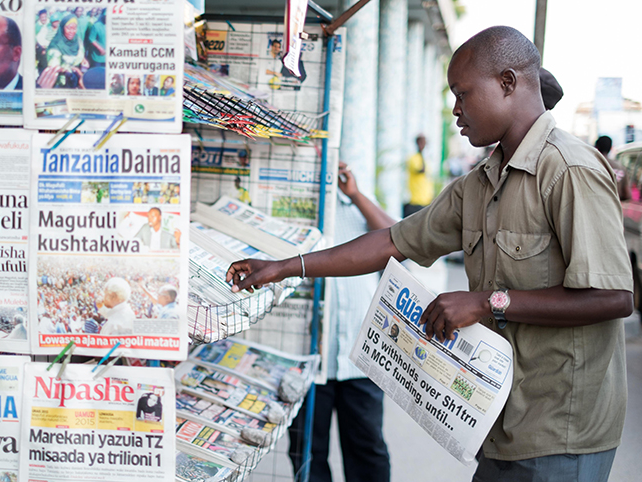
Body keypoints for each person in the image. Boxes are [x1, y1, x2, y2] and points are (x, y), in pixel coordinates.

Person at [227, 26, 632, 482]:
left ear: (507, 82)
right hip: (499, 423)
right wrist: (286, 267)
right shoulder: (477, 185)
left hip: (562, 431)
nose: (455, 110)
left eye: (462, 93)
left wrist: (486, 302)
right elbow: (391, 241)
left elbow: (614, 298)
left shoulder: (569, 170)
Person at [289, 162, 394, 482]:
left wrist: (356, 194)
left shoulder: (357, 204)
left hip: (358, 359)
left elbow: (401, 242)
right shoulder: (298, 210)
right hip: (308, 359)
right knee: (308, 450)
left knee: (367, 447)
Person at [38, 14, 88, 89]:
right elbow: (54, 68)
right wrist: (73, 70)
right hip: (62, 83)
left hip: (77, 79)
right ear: (62, 28)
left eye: (74, 28)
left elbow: (80, 51)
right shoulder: (55, 46)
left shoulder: (77, 39)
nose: (72, 31)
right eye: (68, 28)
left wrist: (83, 59)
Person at [404, 134, 434, 217]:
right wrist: (421, 153)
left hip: (426, 200)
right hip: (415, 200)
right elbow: (421, 170)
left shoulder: (425, 159)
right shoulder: (413, 158)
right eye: (422, 142)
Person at [595, 135, 631, 201]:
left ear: (596, 147)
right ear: (611, 148)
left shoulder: (590, 166)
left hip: (596, 206)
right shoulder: (620, 167)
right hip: (615, 208)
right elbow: (627, 194)